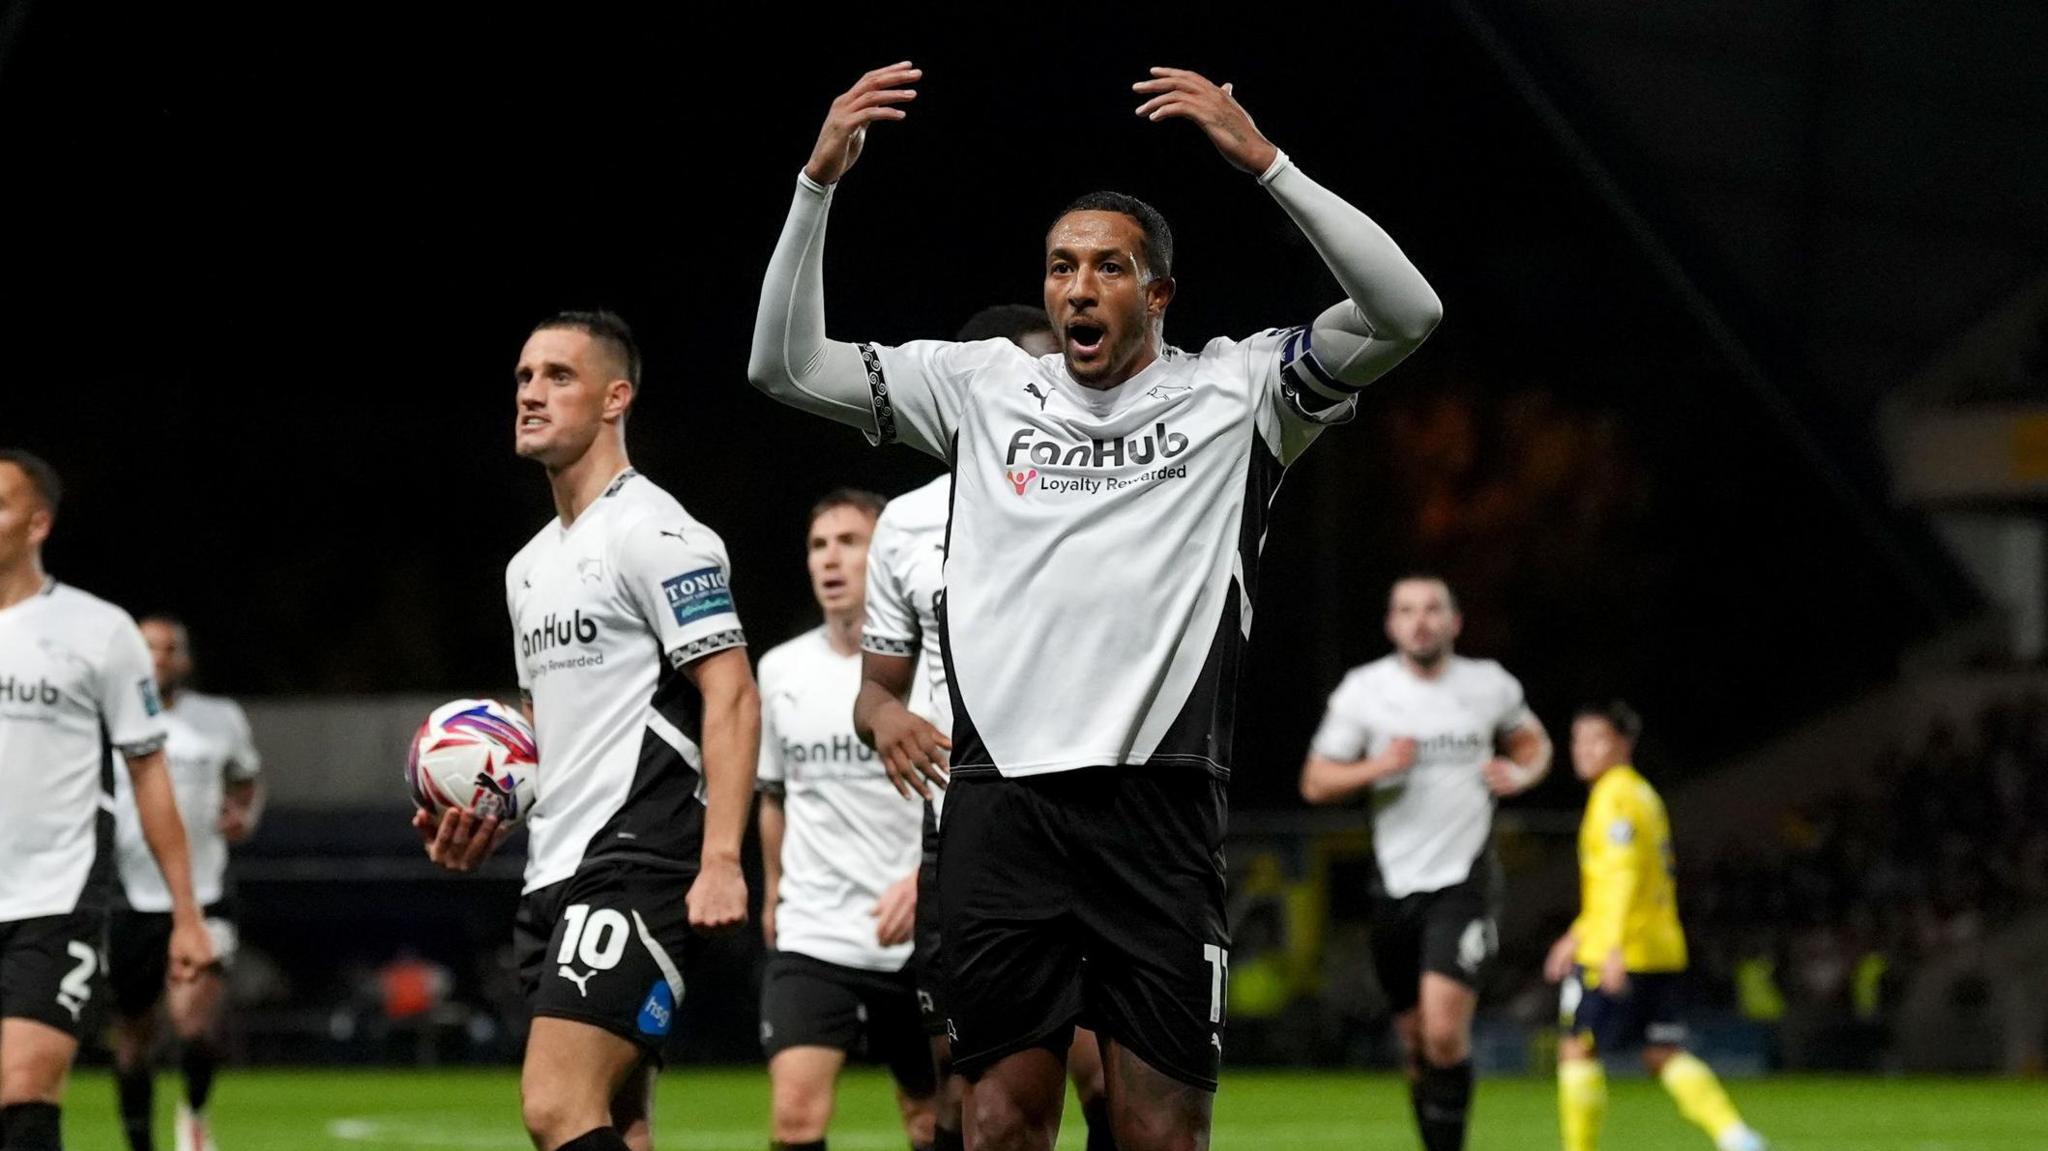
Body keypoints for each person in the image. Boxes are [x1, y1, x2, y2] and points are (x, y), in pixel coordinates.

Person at [750, 61, 1441, 1151]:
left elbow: (1408, 309)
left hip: (1156, 815)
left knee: (1160, 1131)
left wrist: (1265, 165)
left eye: (1108, 267)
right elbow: (784, 367)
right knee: (998, 1123)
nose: (1078, 286)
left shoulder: (1241, 392)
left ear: (1156, 293)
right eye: (1062, 266)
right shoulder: (978, 387)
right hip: (1000, 813)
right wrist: (815, 186)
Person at [414, 312, 759, 1151]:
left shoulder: (657, 532)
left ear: (616, 398)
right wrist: (489, 813)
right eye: (525, 376)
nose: (531, 392)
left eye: (558, 375)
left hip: (641, 855)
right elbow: (551, 732)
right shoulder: (527, 566)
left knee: (556, 1104)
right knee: (620, 1121)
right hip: (553, 867)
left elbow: (734, 693)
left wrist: (720, 859)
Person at [856, 308, 1118, 1151]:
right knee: (966, 1090)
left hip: (1108, 816)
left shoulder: (1116, 490)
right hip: (975, 828)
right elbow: (875, 692)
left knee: (1116, 1078)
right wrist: (888, 716)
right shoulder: (906, 523)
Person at [0, 449, 213, 1151]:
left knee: (23, 1088)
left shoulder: (99, 630)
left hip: (53, 900)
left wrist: (186, 913)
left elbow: (148, 771)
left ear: (38, 522)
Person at [1299, 575, 1551, 1151]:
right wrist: (1376, 767)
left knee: (1442, 1032)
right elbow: (1315, 781)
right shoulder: (1364, 691)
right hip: (1393, 887)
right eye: (1407, 610)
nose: (1420, 620)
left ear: (1455, 622)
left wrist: (1520, 773)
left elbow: (1534, 745)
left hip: (1465, 881)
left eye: (1433, 609)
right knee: (1414, 1042)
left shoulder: (1489, 686)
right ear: (1391, 625)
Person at [757, 488, 936, 1151]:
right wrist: (774, 890)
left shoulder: (928, 668)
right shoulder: (780, 669)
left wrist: (927, 880)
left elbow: (966, 794)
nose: (830, 559)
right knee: (795, 1117)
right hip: (815, 931)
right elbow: (773, 794)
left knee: (928, 1119)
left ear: (884, 552)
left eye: (849, 541)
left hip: (915, 928)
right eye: (818, 544)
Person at [1545, 702, 1767, 1151]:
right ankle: (1737, 1137)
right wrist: (1577, 933)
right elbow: (1628, 880)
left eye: (1596, 740)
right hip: (1658, 946)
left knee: (1576, 1047)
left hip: (1621, 949)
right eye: (1577, 740)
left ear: (1623, 744)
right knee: (1662, 1051)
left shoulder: (1615, 796)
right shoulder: (1642, 793)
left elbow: (1624, 876)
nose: (1582, 750)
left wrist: (1610, 948)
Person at [109, 615, 263, 1151]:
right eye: (147, 648)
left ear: (185, 660)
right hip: (131, 898)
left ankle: (194, 1115)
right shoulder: (109, 718)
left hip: (205, 895)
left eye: (168, 648)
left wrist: (243, 813)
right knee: (134, 1039)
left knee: (193, 1026)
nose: (158, 658)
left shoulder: (219, 719)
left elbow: (245, 780)